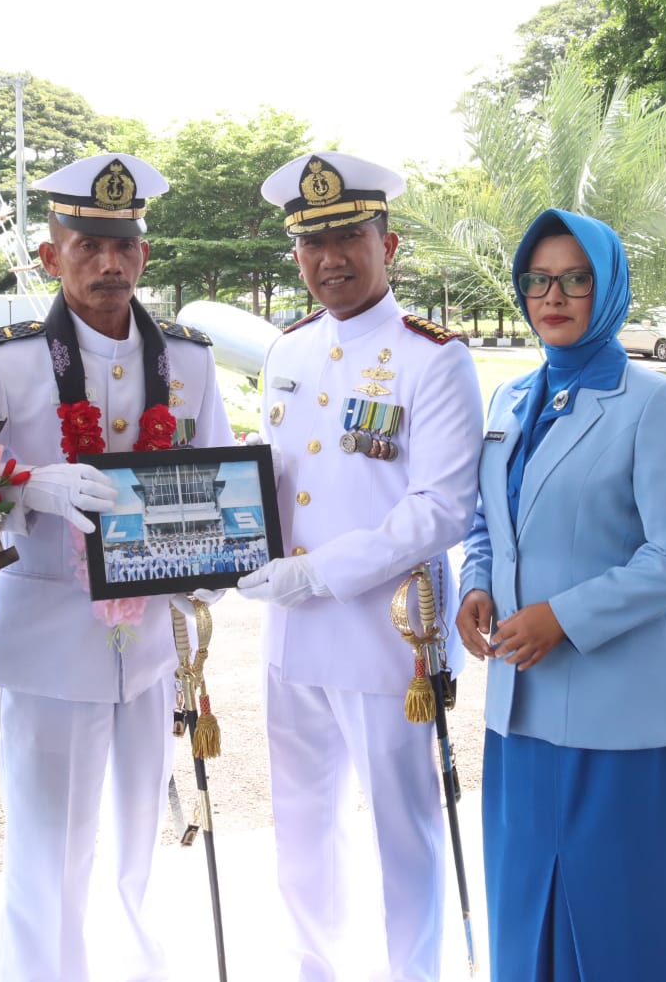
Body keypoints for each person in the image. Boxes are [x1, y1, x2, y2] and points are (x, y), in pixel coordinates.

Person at [0, 152, 234, 982]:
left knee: (137, 848)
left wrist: (218, 549)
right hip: (50, 644)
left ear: (144, 255)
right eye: (87, 244)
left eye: (124, 245)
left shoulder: (188, 360)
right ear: (51, 255)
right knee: (48, 852)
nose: (108, 263)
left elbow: (218, 473)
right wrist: (25, 486)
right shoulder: (7, 361)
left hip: (150, 645)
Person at [237, 151, 483, 981]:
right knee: (302, 828)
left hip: (388, 639)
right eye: (312, 242)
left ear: (391, 244)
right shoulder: (289, 350)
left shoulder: (433, 358)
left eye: (349, 236)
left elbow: (441, 508)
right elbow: (281, 479)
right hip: (291, 640)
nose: (330, 258)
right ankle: (317, 969)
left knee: (399, 830)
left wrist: (319, 573)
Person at [454, 209, 666, 981]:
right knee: (526, 896)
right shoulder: (508, 400)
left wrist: (563, 618)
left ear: (608, 288)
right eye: (537, 280)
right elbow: (486, 521)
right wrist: (476, 583)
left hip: (616, 715)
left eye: (576, 278)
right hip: (520, 709)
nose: (553, 296)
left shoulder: (654, 402)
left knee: (620, 914)